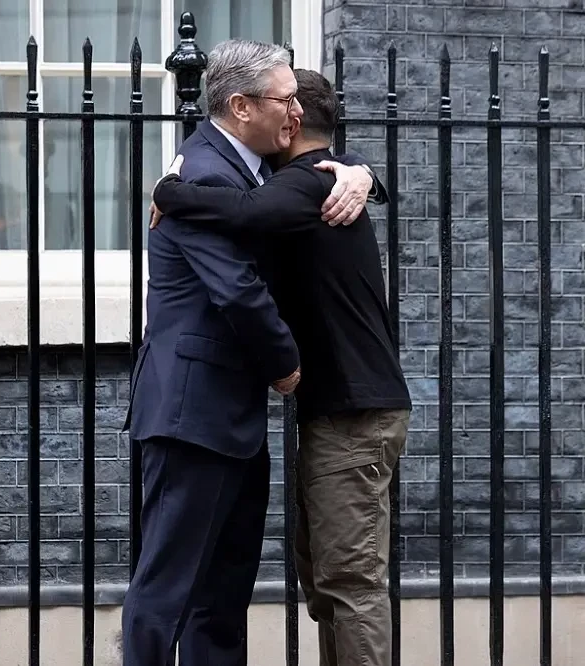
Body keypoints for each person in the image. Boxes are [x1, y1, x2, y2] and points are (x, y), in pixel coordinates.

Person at [120, 40, 384, 666]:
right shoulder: (204, 172)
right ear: (241, 106)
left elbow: (312, 169)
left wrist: (362, 173)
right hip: (192, 415)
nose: (297, 111)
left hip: (231, 420)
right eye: (285, 99)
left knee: (222, 594)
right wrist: (287, 367)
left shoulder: (251, 170)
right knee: (168, 589)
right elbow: (238, 291)